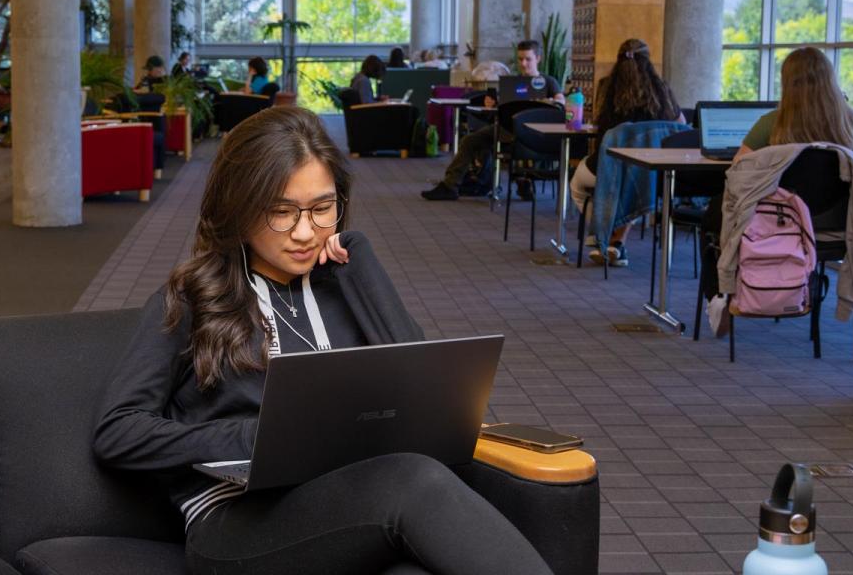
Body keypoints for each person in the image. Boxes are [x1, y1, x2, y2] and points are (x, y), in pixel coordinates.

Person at [92, 106, 554, 575]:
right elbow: (117, 432)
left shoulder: (346, 286)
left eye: (322, 209)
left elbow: (429, 401)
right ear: (240, 206)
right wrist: (253, 436)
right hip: (235, 523)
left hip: (344, 502)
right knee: (414, 481)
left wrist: (363, 266)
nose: (305, 232)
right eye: (280, 212)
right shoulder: (191, 298)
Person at [575, 39, 684, 266]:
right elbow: (680, 127)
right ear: (648, 61)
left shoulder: (606, 87)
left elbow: (598, 125)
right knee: (638, 181)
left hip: (608, 166)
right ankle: (616, 242)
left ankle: (604, 235)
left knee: (577, 184)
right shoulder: (661, 89)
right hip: (651, 171)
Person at [422, 40, 565, 201]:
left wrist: (550, 101)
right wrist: (492, 103)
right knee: (470, 140)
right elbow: (502, 107)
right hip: (507, 128)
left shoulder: (549, 82)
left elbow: (561, 102)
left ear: (538, 58)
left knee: (491, 144)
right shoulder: (512, 83)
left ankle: (520, 178)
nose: (523, 64)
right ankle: (450, 186)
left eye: (528, 59)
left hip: (535, 133)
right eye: (520, 59)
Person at [734, 47, 853, 161]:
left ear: (788, 84)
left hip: (785, 190)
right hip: (844, 190)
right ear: (830, 80)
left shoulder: (772, 122)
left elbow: (739, 166)